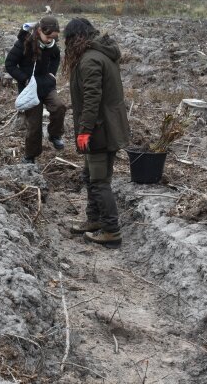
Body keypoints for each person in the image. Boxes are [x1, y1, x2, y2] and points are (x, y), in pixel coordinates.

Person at [62, 17, 130, 248]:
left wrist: (85, 130)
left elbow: (92, 99)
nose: (67, 46)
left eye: (68, 40)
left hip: (100, 130)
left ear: (76, 38)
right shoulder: (98, 55)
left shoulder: (90, 60)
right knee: (90, 175)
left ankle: (111, 231)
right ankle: (94, 220)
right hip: (104, 127)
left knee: (100, 181)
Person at [4, 16, 67, 164]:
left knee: (59, 107)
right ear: (39, 31)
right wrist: (25, 79)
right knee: (34, 125)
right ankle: (30, 156)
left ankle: (54, 135)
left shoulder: (52, 44)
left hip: (47, 84)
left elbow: (56, 57)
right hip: (29, 88)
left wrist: (52, 74)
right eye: (48, 37)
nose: (49, 40)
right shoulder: (24, 43)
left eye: (53, 37)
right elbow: (10, 64)